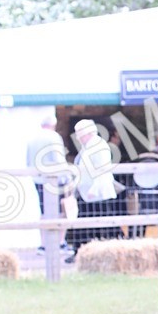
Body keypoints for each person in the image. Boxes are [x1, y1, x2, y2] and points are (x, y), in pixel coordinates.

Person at [66, 118, 121, 260]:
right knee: (84, 224)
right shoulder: (87, 147)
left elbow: (102, 170)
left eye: (80, 134)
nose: (78, 137)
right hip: (86, 194)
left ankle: (112, 250)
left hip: (98, 194)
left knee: (105, 225)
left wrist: (94, 190)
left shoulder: (98, 146)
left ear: (87, 134)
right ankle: (79, 252)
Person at [26, 111, 71, 249]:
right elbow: (58, 159)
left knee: (44, 212)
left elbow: (28, 161)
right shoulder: (54, 137)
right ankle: (60, 242)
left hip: (38, 180)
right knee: (61, 210)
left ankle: (43, 244)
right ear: (54, 125)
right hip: (54, 180)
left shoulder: (32, 139)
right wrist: (67, 178)